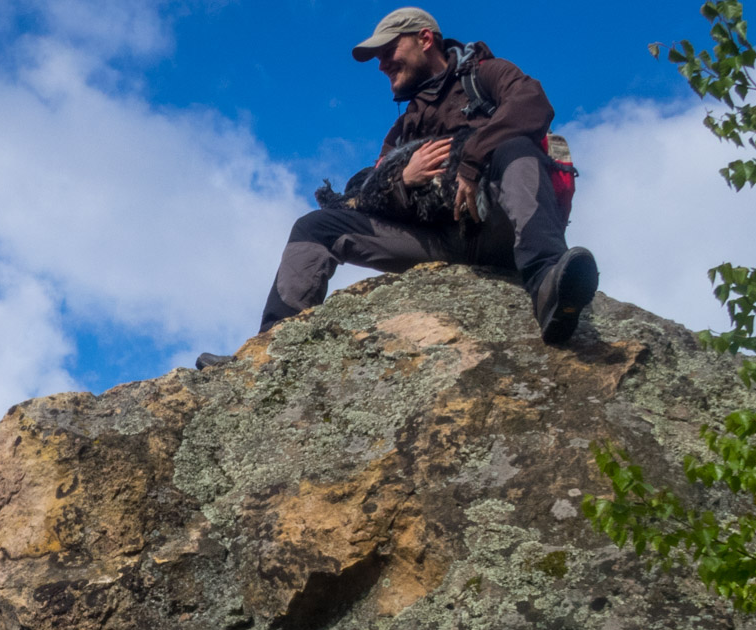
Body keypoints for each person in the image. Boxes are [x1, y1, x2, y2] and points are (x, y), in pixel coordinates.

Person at [198, 7, 598, 368]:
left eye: (389, 50)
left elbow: (533, 103)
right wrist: (403, 179)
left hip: (500, 229)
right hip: (438, 240)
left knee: (515, 146)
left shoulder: (485, 74)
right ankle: (267, 350)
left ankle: (548, 282)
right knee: (314, 227)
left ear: (425, 39)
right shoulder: (404, 127)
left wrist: (473, 159)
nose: (381, 64)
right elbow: (368, 192)